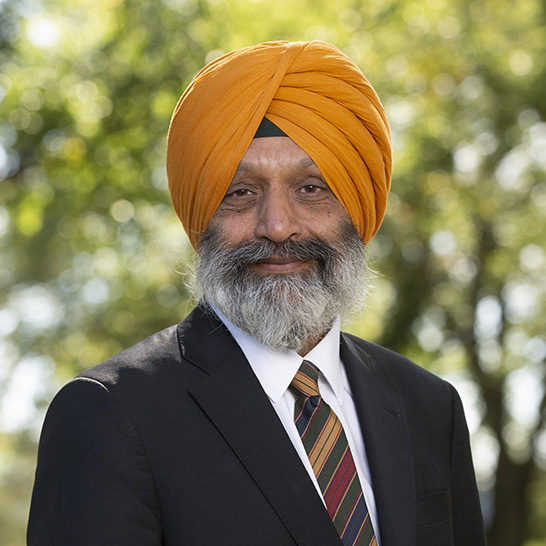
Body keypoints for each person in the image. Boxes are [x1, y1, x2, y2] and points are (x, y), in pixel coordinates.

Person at [28, 41, 486, 546]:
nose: (278, 226)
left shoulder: (429, 406)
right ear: (201, 217)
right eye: (240, 192)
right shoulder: (111, 414)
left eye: (311, 188)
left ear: (357, 207)